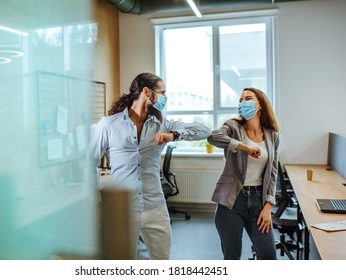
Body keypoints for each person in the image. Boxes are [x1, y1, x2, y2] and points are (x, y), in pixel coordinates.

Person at [92, 72, 210, 260]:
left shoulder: (162, 124)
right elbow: (90, 162)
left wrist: (174, 135)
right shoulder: (108, 124)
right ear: (147, 92)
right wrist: (98, 201)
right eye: (162, 92)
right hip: (123, 210)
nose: (165, 97)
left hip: (155, 206)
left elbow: (204, 130)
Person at [207, 87, 280, 260]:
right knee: (232, 257)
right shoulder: (233, 127)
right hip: (232, 201)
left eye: (247, 98)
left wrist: (268, 207)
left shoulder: (272, 135)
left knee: (269, 255)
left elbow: (273, 173)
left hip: (258, 202)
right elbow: (213, 137)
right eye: (240, 100)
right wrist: (244, 147)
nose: (242, 103)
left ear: (260, 104)